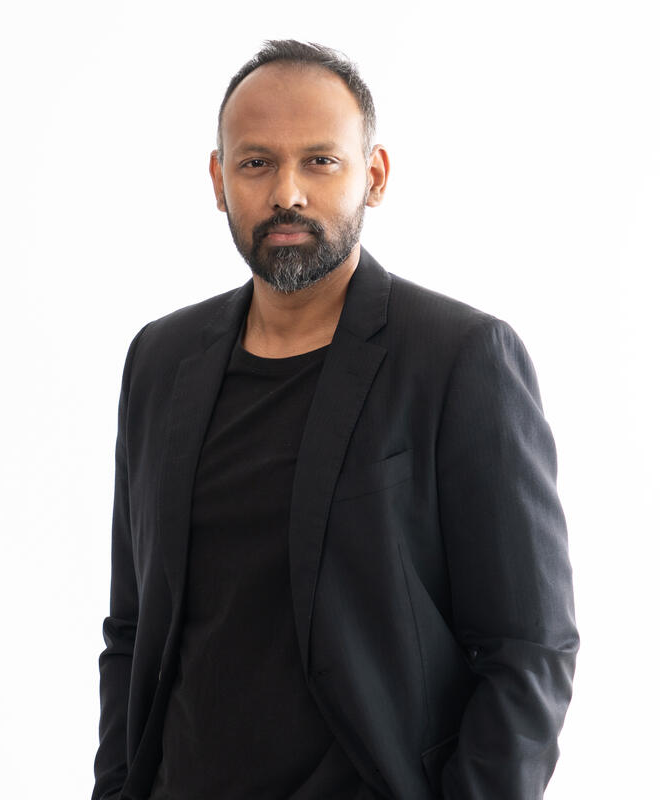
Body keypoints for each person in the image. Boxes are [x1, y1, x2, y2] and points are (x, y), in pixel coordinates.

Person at [92, 40, 578, 800]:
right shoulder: (160, 359)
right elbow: (131, 630)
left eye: (320, 161)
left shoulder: (459, 357)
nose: (286, 192)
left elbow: (529, 649)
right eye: (256, 163)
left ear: (373, 176)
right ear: (219, 181)